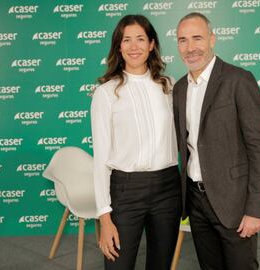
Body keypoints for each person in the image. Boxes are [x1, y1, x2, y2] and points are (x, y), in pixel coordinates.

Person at [172, 12, 260, 270]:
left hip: (235, 203)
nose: (190, 47)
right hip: (196, 202)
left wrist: (255, 209)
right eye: (183, 40)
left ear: (212, 39)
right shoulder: (180, 88)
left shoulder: (238, 80)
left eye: (197, 38)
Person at [90, 14, 181, 270]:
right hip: (125, 191)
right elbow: (101, 158)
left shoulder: (170, 87)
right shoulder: (106, 92)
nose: (133, 46)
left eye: (140, 39)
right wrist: (104, 215)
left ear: (152, 44)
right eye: (126, 40)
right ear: (118, 46)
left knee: (161, 264)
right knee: (118, 265)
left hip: (168, 188)